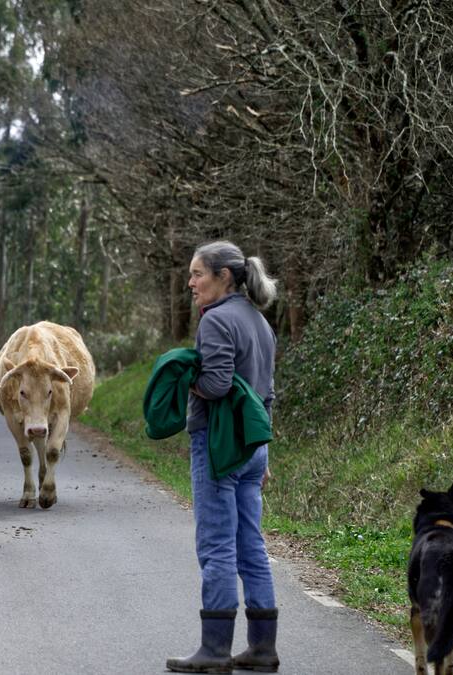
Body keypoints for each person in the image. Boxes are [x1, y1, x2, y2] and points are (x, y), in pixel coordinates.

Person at [167, 241, 280, 673]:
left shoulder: (216, 321)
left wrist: (184, 379)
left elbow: (215, 385)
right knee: (251, 545)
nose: (191, 283)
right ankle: (262, 648)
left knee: (215, 546)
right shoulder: (259, 322)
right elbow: (266, 394)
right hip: (253, 449)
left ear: (224, 277)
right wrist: (264, 453)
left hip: (218, 448)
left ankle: (214, 650)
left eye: (198, 274)